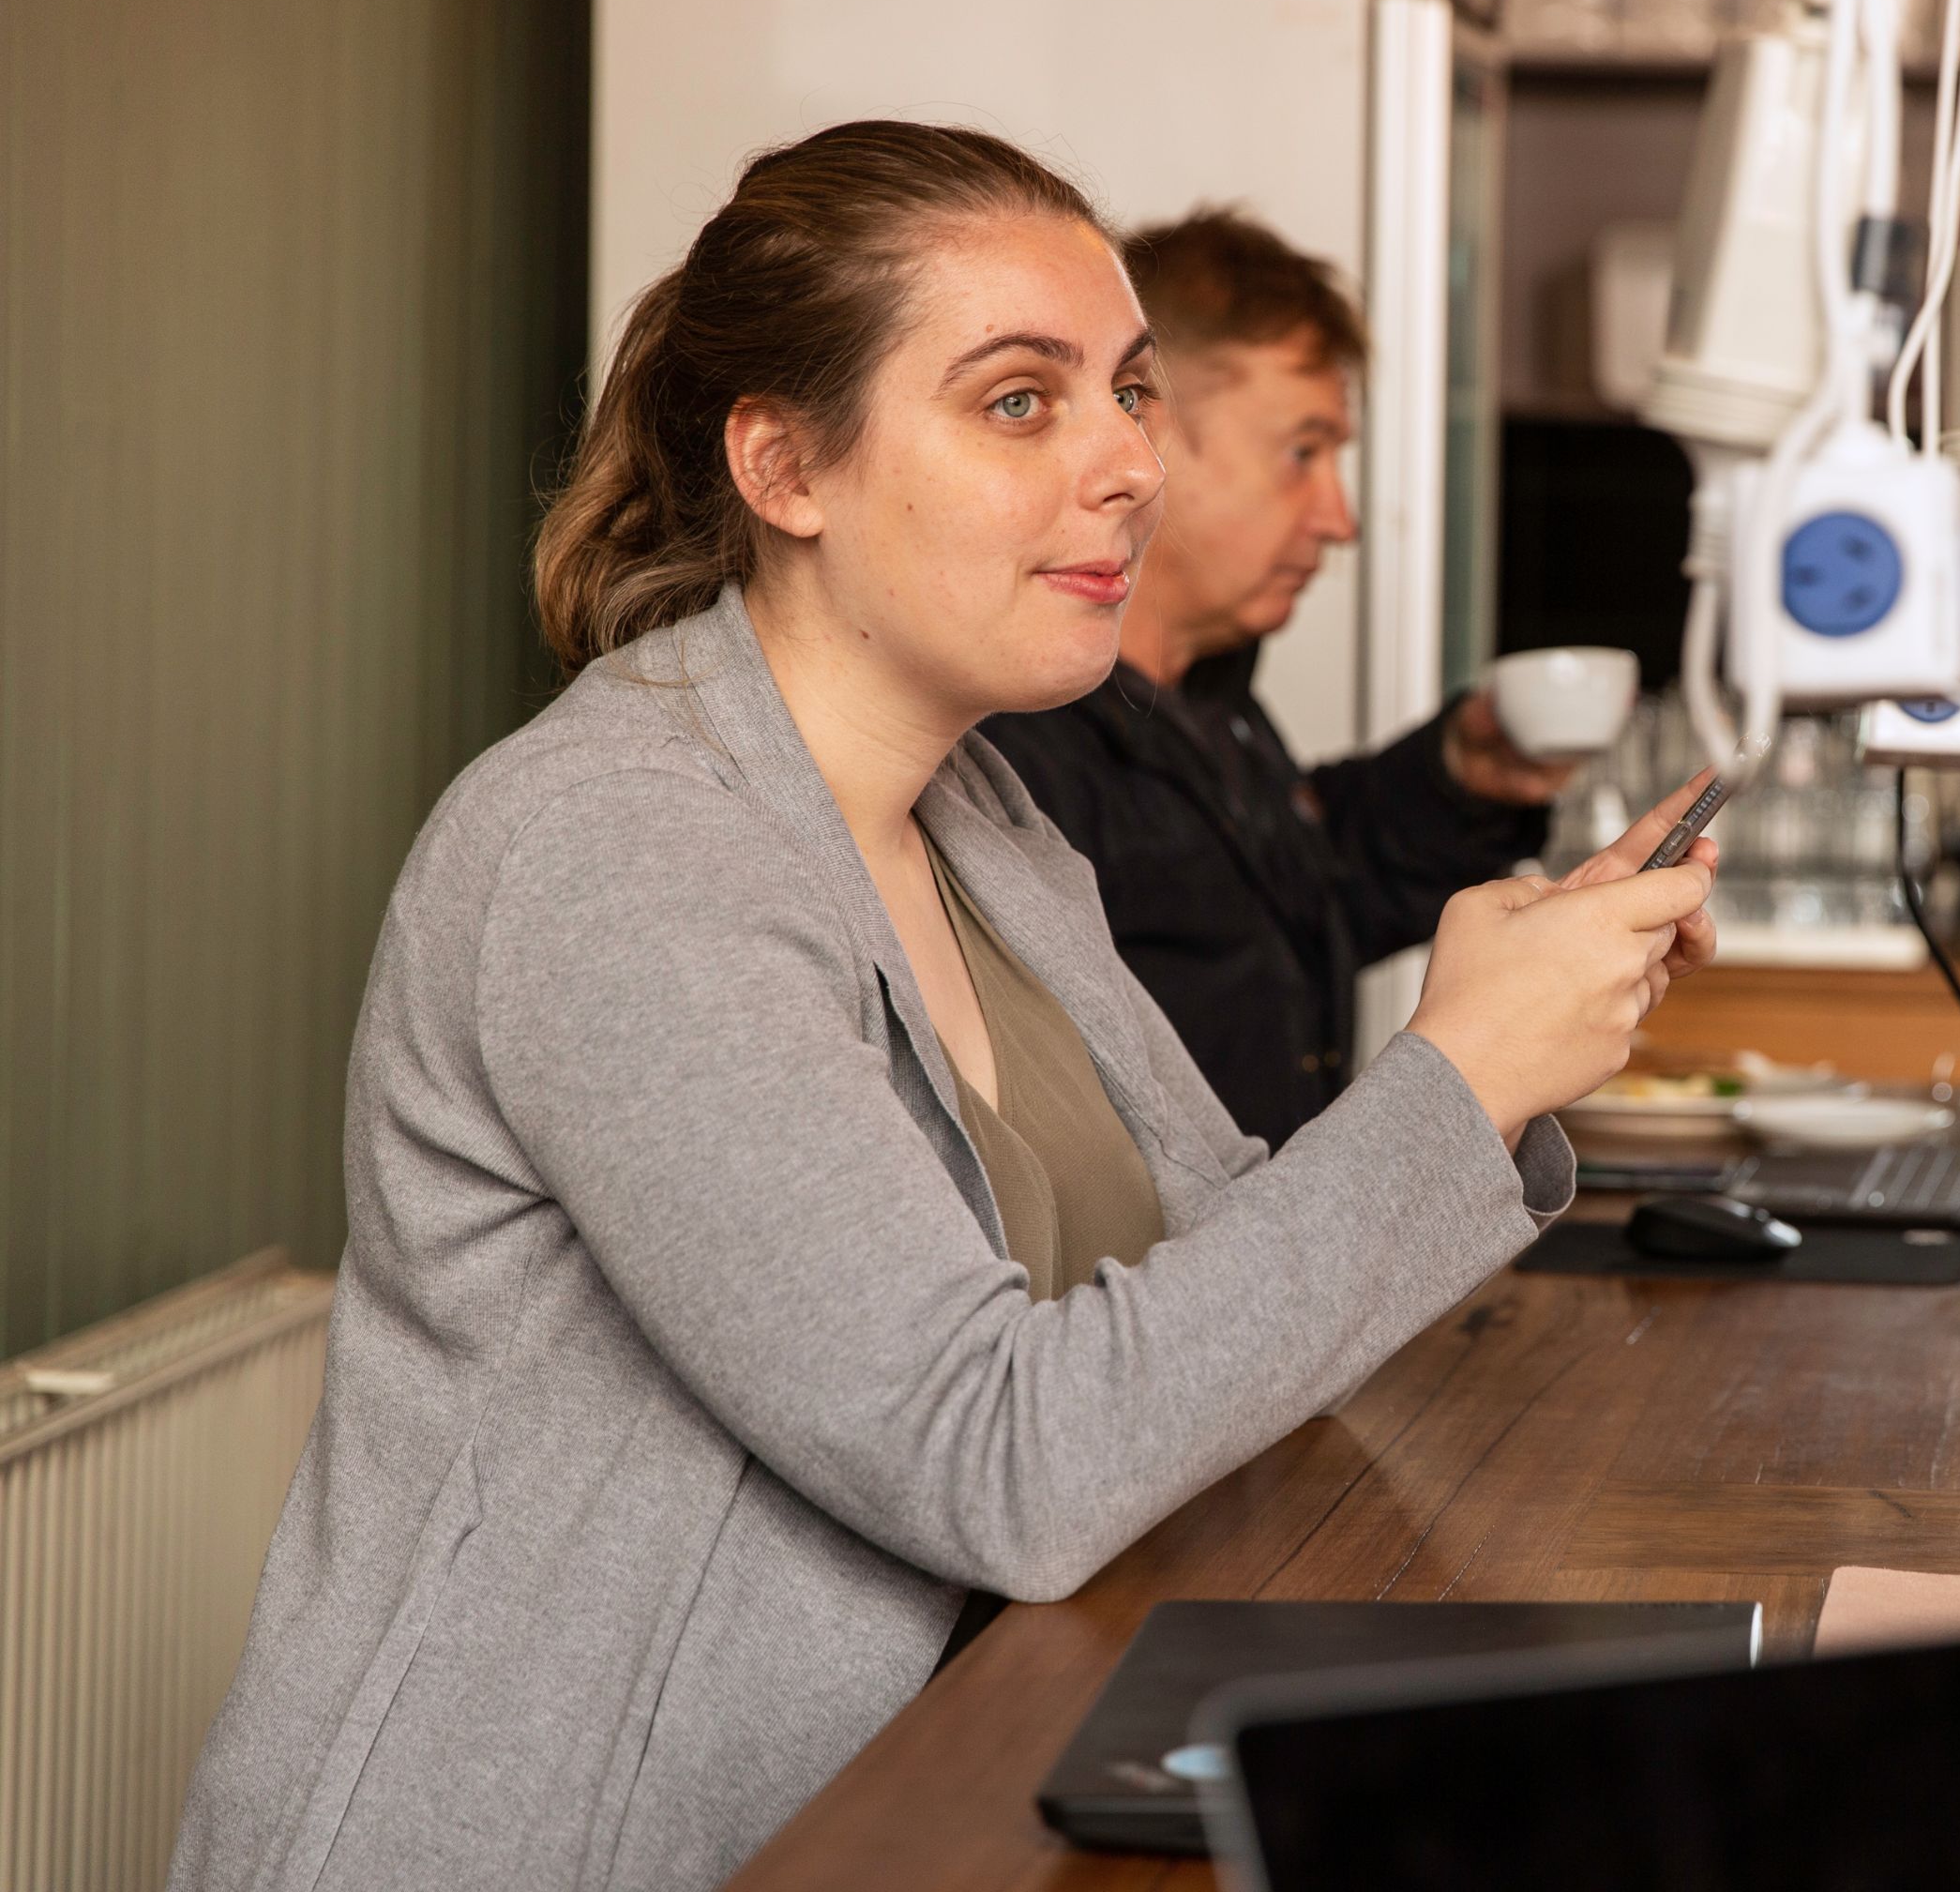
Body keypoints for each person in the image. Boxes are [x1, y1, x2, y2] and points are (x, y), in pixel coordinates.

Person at [168, 122, 1715, 1892]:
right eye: (1017, 403)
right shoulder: (615, 850)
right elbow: (1002, 1457)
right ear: (783, 466)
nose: (1128, 462)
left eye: (1130, 393)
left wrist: (1496, 1051)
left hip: (904, 1817)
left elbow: (1226, 1276)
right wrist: (1462, 1075)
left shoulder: (981, 817)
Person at [980, 209, 1572, 1147]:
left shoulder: (1213, 702)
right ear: (1146, 435)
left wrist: (1458, 776)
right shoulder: (1006, 743)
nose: (1339, 519)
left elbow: (1292, 912)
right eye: (1304, 453)